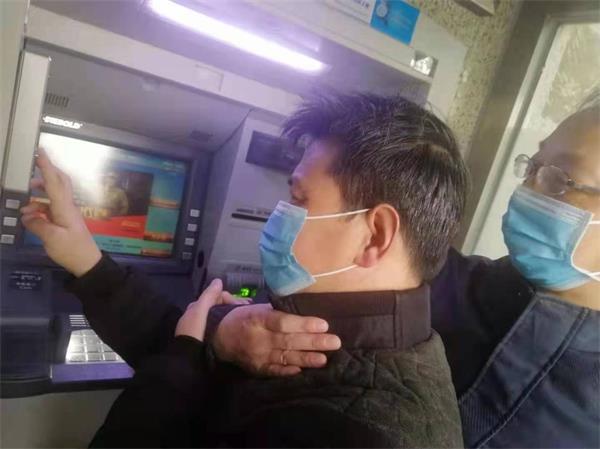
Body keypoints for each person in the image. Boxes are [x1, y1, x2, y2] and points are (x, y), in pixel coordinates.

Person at [21, 93, 468, 447]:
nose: (277, 214)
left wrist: (188, 354)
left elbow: (179, 368)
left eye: (299, 199)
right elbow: (177, 340)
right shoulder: (344, 328)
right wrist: (85, 257)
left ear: (375, 236)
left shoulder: (352, 431)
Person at [208, 90, 600, 448]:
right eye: (533, 166)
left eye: (560, 179)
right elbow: (285, 313)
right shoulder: (449, 279)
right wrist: (220, 333)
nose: (529, 189)